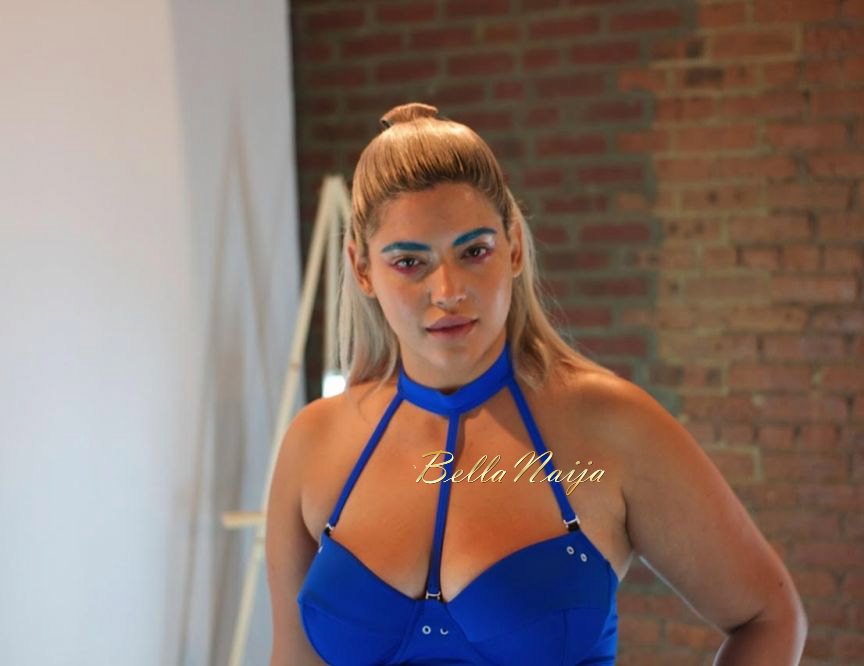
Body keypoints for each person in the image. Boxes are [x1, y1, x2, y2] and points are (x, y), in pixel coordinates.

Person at [265, 102, 807, 665]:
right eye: (409, 262)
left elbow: (769, 616)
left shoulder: (610, 426)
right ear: (361, 268)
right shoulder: (314, 443)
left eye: (474, 251)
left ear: (515, 247)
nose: (447, 291)